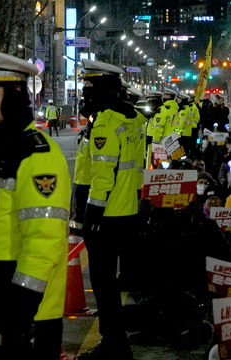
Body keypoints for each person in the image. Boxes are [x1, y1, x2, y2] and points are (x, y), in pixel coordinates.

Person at [0, 48, 71, 360]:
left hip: (24, 312)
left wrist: (21, 306)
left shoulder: (35, 155)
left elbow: (44, 241)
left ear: (14, 94)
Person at [78, 60, 146, 359]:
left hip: (105, 216)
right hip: (127, 210)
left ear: (104, 88)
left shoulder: (106, 122)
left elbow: (103, 174)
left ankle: (114, 345)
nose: (84, 91)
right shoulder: (134, 119)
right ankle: (118, 342)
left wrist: (91, 214)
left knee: (103, 285)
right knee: (111, 283)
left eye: (90, 87)